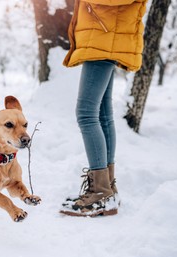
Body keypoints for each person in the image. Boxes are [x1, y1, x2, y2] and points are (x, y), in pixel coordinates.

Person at [60, 0, 148, 217]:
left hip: (104, 37)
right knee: (102, 114)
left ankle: (100, 192)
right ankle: (106, 188)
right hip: (105, 36)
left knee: (86, 114)